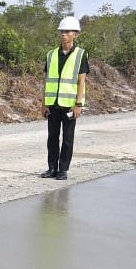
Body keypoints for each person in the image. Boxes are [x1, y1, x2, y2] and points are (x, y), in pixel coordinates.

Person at [40, 15, 89, 181]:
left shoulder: (81, 54)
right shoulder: (51, 54)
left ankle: (63, 170)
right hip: (52, 104)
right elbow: (47, 81)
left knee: (67, 139)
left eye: (67, 31)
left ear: (76, 34)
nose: (63, 34)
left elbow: (81, 81)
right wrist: (44, 103)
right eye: (62, 31)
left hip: (69, 105)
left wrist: (79, 104)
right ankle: (52, 168)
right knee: (52, 137)